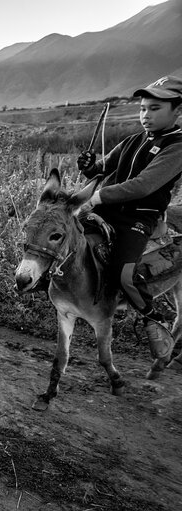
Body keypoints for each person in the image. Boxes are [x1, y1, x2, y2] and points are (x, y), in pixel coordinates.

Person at [77, 75, 182, 358]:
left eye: (155, 109)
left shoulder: (177, 146)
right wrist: (89, 167)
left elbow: (143, 185)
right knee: (62, 237)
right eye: (143, 108)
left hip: (136, 219)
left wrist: (98, 196)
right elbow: (102, 168)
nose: (146, 115)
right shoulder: (132, 140)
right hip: (105, 212)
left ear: (177, 110)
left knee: (124, 275)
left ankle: (153, 318)